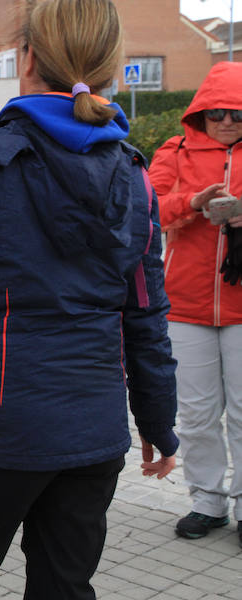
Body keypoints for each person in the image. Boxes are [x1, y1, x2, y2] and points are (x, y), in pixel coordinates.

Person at [0, 1, 178, 597]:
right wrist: (157, 417)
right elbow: (147, 314)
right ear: (110, 65)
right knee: (65, 586)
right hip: (93, 427)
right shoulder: (135, 176)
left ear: (27, 59)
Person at [149, 61, 242, 547]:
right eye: (216, 112)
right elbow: (148, 209)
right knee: (198, 414)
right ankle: (207, 501)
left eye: (237, 113)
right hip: (185, 304)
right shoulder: (175, 150)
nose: (226, 122)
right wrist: (192, 203)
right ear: (200, 114)